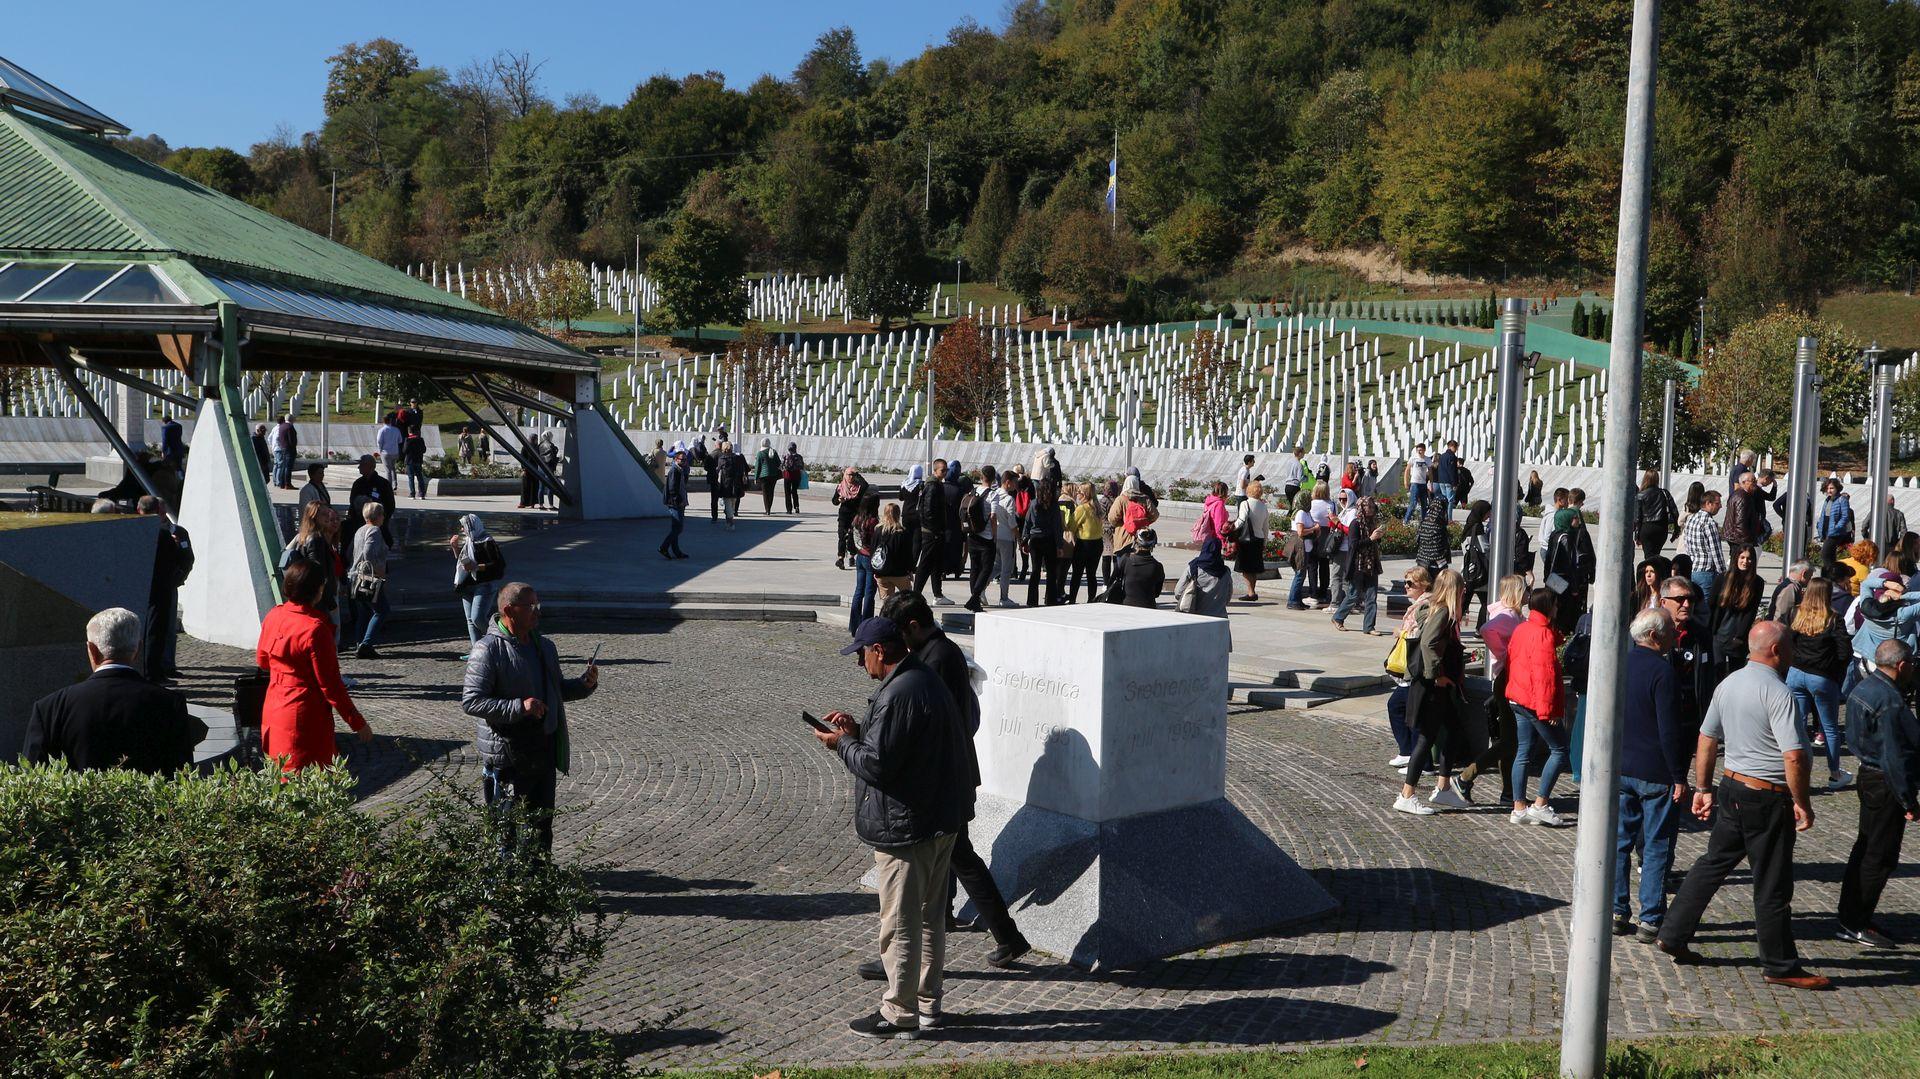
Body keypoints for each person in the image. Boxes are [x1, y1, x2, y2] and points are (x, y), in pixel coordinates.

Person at [812, 615, 973, 1039]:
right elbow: (902, 745)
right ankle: (928, 1006)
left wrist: (841, 743)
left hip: (910, 827)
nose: (860, 662)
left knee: (900, 921)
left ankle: (899, 1012)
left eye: (861, 653)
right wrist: (860, 730)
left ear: (879, 650)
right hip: (941, 820)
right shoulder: (921, 678)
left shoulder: (899, 692)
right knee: (929, 918)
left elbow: (879, 764)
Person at [1655, 621, 1828, 989]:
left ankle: (1672, 932)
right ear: (1777, 651)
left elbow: (1706, 738)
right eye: (1791, 648)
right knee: (1772, 882)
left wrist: (1703, 786)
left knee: (1712, 865)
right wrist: (1803, 802)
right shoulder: (1778, 694)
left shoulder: (1728, 684)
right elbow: (1794, 757)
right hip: (1766, 796)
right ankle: (1780, 965)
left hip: (1732, 788)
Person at [871, 594, 1030, 970]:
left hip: (944, 776)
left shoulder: (938, 658)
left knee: (957, 856)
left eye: (899, 634)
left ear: (912, 626)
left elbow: (932, 725)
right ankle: (951, 924)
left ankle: (1005, 937)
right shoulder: (937, 653)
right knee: (952, 856)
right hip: (948, 773)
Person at [464, 582, 600, 858]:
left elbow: (556, 690)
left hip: (543, 749)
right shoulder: (487, 650)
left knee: (541, 825)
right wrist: (520, 706)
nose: (538, 612)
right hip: (508, 755)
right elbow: (472, 701)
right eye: (530, 607)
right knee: (507, 829)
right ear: (508, 611)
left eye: (538, 605)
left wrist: (584, 685)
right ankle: (505, 887)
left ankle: (540, 884)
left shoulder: (544, 646)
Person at [22, 607, 203, 773]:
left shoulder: (50, 707)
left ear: (92, 650)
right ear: (138, 649)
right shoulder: (169, 704)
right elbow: (181, 774)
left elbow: (32, 780)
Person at [1611, 607, 1689, 941]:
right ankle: (1651, 918)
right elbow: (1669, 729)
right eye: (1672, 629)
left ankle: (1616, 910)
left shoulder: (1619, 664)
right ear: (1655, 635)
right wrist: (1679, 776)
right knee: (1656, 845)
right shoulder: (1663, 673)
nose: (1676, 634)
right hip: (1656, 772)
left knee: (1619, 843)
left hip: (1622, 767)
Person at [1837, 639, 1920, 947]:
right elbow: (1893, 755)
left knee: (1866, 849)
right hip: (1884, 782)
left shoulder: (1866, 688)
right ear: (1901, 665)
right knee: (1878, 856)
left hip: (1870, 776)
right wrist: (1908, 799)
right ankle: (1855, 921)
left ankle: (1852, 916)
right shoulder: (1889, 700)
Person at [256, 559, 374, 772]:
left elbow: (263, 661)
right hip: (304, 713)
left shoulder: (274, 615)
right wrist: (357, 722)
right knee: (309, 781)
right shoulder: (315, 628)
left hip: (274, 706)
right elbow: (331, 686)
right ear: (318, 590)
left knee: (280, 779)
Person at [1395, 568, 1470, 815]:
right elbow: (1428, 644)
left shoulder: (1440, 610)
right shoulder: (1442, 612)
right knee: (1427, 738)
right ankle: (1407, 795)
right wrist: (1438, 675)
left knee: (1454, 730)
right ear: (1456, 590)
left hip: (1438, 685)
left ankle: (1443, 788)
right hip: (1432, 686)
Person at [1455, 574, 1529, 802]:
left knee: (1509, 740)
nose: (1528, 594)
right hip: (1507, 680)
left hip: (1508, 679)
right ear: (1517, 592)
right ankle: (1465, 777)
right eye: (1526, 590)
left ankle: (1508, 793)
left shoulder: (1512, 614)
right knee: (1509, 741)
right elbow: (1488, 629)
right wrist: (1507, 655)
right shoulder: (1507, 616)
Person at [1505, 587, 1570, 827]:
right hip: (1535, 702)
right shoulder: (1542, 634)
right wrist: (1549, 711)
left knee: (1523, 752)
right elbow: (1545, 676)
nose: (1557, 608)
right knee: (1560, 750)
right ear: (1548, 607)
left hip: (1518, 698)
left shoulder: (1523, 628)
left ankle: (1519, 807)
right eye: (1555, 604)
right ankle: (1540, 804)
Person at [1783, 578, 1854, 789]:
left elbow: (1788, 640)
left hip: (1795, 673)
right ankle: (1834, 774)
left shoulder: (1796, 614)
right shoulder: (1833, 619)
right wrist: (1835, 672)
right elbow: (1844, 652)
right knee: (1829, 727)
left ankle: (1795, 771)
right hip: (1822, 676)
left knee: (1797, 724)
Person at [135, 496, 192, 681]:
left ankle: (165, 665)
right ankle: (152, 670)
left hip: (167, 585)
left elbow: (186, 558)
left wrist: (179, 578)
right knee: (154, 629)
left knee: (164, 629)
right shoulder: (158, 534)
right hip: (157, 588)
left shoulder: (177, 532)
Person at [1331, 496, 1384, 633]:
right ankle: (1338, 617)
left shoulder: (1372, 523)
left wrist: (1378, 538)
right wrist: (1371, 538)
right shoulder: (1355, 524)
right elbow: (1353, 545)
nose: (1372, 509)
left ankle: (1369, 627)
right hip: (1358, 565)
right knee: (1353, 595)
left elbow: (1373, 544)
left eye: (1373, 506)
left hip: (1371, 564)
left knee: (1372, 596)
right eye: (1369, 506)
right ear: (1362, 507)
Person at [1710, 547, 1764, 679]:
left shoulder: (1757, 582)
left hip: (1738, 638)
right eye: (1742, 557)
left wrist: (1740, 636)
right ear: (1736, 558)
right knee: (1717, 673)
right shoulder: (1722, 578)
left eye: (1749, 558)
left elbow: (1751, 612)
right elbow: (1712, 606)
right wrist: (1710, 631)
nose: (1745, 561)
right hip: (1719, 635)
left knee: (1736, 675)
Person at [452, 513, 501, 656]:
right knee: (470, 620)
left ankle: (499, 641)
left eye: (464, 526)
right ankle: (477, 652)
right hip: (466, 584)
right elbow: (462, 562)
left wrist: (477, 567)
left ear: (472, 526)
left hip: (484, 584)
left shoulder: (487, 541)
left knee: (477, 618)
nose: (462, 530)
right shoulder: (468, 542)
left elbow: (497, 565)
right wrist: (455, 547)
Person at [347, 502, 391, 660]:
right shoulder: (374, 530)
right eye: (383, 514)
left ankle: (359, 643)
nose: (384, 517)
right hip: (368, 578)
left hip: (355, 577)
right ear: (378, 516)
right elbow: (368, 553)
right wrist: (379, 570)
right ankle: (366, 644)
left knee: (364, 612)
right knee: (382, 610)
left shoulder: (360, 530)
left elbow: (350, 552)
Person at [1682, 490, 1726, 623]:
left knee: (1693, 606)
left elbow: (1687, 543)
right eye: (1717, 503)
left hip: (1693, 568)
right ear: (1708, 503)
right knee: (1705, 609)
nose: (1720, 506)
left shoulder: (1691, 519)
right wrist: (1723, 573)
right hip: (1706, 572)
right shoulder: (1709, 523)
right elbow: (1716, 551)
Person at [1174, 536, 1233, 628]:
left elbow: (1178, 592)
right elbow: (1227, 598)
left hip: (1197, 620)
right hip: (1220, 621)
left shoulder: (1193, 568)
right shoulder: (1226, 572)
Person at [914, 460, 952, 604]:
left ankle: (938, 595)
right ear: (935, 471)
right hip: (931, 532)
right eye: (942, 470)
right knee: (925, 564)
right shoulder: (932, 486)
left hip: (937, 531)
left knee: (937, 564)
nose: (945, 472)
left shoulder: (937, 485)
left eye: (946, 470)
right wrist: (935, 530)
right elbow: (928, 511)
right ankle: (916, 594)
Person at [1065, 482, 1103, 604]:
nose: (1077, 494)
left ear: (1085, 494)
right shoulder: (1097, 507)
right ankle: (1091, 600)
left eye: (1079, 492)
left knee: (1077, 574)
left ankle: (1072, 600)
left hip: (1084, 544)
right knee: (1091, 575)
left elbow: (1071, 526)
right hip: (1097, 544)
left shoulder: (1082, 508)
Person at [346, 453, 395, 548]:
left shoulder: (383, 484)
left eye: (361, 465)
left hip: (377, 526)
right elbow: (352, 502)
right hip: (358, 525)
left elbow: (390, 506)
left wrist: (381, 521)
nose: (358, 467)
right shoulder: (358, 483)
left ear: (369, 466)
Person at [1233, 482, 1271, 601]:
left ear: (1249, 490)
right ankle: (1252, 592)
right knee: (1254, 568)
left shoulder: (1245, 503)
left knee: (1245, 568)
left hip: (1246, 539)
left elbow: (1241, 520)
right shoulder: (1263, 506)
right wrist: (1265, 542)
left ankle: (1250, 593)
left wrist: (1230, 527)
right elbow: (1266, 526)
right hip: (1259, 539)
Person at [988, 471, 1021, 607]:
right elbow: (1012, 522)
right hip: (1007, 537)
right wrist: (1018, 537)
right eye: (1014, 482)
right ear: (1008, 482)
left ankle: (980, 589)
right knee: (1006, 569)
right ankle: (1004, 597)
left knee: (996, 566)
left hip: (994, 535)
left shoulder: (993, 495)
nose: (1016, 485)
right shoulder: (1009, 499)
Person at [849, 494, 880, 634]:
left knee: (858, 591)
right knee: (869, 593)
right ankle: (865, 626)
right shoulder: (873, 522)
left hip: (860, 556)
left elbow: (855, 538)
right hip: (869, 557)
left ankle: (854, 624)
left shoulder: (857, 519)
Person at [873, 502, 916, 603]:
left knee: (887, 602)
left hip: (882, 572)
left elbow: (873, 550)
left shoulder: (878, 530)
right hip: (900, 572)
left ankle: (887, 617)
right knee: (907, 599)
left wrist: (874, 570)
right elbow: (908, 554)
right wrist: (910, 569)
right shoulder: (902, 532)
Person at [1633, 470, 1679, 564]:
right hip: (1661, 528)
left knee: (1648, 556)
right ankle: (1657, 574)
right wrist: (1676, 530)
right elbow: (1674, 512)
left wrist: (1637, 535)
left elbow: (1638, 518)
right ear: (1657, 479)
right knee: (1656, 554)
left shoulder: (1640, 495)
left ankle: (1652, 575)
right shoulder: (1665, 493)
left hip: (1647, 528)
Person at [1816, 480, 1854, 579]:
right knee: (1831, 556)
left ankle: (1828, 576)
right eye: (1828, 488)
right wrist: (1819, 525)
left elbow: (1845, 516)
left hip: (1835, 532)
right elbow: (1823, 515)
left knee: (1825, 554)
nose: (1829, 490)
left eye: (1832, 488)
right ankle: (1833, 577)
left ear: (1837, 488)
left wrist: (1837, 527)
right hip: (1826, 530)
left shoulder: (1842, 499)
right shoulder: (1827, 500)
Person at [1120, 528, 1166, 608]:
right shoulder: (1158, 566)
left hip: (1127, 606)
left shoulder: (1126, 559)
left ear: (1136, 542)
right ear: (1153, 545)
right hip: (1148, 607)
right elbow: (1157, 593)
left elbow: (1113, 580)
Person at [833, 468, 869, 569]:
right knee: (841, 536)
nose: (850, 477)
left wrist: (858, 474)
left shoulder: (858, 488)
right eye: (849, 475)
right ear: (845, 475)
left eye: (853, 475)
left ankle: (852, 556)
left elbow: (866, 485)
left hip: (855, 516)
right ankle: (840, 558)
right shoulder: (840, 487)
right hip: (843, 515)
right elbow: (834, 501)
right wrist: (839, 500)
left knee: (852, 538)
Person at [659, 444, 690, 559]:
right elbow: (672, 488)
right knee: (678, 528)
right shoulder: (674, 471)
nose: (685, 461)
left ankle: (676, 551)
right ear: (676, 459)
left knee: (675, 528)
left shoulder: (680, 470)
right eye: (682, 459)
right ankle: (663, 547)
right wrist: (679, 500)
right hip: (675, 503)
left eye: (686, 459)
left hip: (677, 502)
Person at [1413, 486, 1450, 575]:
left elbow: (1418, 540)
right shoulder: (1439, 525)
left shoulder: (1424, 521)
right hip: (1436, 564)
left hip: (1421, 562)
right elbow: (1443, 546)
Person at [714, 439, 746, 529]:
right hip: (736, 484)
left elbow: (718, 470)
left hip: (726, 484)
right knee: (732, 503)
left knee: (728, 503)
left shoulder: (722, 459)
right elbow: (742, 469)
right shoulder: (737, 458)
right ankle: (729, 519)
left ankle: (730, 521)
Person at [1401, 443, 1431, 524]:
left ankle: (1423, 522)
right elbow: (1407, 470)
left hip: (1423, 483)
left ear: (1424, 450)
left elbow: (1430, 472)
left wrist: (1431, 483)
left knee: (1424, 504)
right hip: (1415, 483)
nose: (1419, 452)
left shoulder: (1427, 459)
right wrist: (1405, 482)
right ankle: (1406, 521)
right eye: (1418, 450)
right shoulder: (1413, 458)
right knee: (1413, 503)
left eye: (1421, 450)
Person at [1431, 439, 1460, 518]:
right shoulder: (1452, 456)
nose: (1456, 449)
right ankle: (1449, 518)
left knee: (1443, 500)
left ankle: (1442, 516)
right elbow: (1452, 471)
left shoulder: (1442, 456)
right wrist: (1454, 483)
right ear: (1452, 446)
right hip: (1449, 482)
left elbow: (1440, 469)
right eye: (1456, 447)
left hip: (1441, 481)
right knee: (1450, 500)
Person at [375, 414, 403, 487]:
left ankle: (388, 486)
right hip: (395, 452)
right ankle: (395, 483)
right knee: (393, 468)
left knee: (387, 470)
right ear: (390, 421)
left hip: (385, 452)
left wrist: (380, 449)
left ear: (383, 421)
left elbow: (379, 441)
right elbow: (400, 440)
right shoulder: (396, 429)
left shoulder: (382, 430)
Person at [270, 414, 297, 489]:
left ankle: (282, 483)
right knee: (288, 467)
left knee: (283, 466)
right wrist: (293, 446)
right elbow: (292, 439)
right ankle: (287, 484)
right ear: (291, 419)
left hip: (283, 448)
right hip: (289, 449)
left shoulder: (281, 426)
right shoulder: (290, 427)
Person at [754, 438, 781, 514]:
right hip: (773, 475)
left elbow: (758, 467)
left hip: (763, 476)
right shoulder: (773, 452)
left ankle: (767, 510)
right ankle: (769, 507)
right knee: (771, 492)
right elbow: (779, 463)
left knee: (765, 493)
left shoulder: (760, 453)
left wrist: (756, 477)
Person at [402, 425, 428, 499]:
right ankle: (422, 494)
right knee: (420, 477)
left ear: (409, 431)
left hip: (410, 461)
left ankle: (412, 494)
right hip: (418, 460)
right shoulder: (420, 439)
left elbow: (404, 450)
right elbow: (424, 450)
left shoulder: (408, 439)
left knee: (411, 477)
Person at [781, 442, 806, 514]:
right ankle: (797, 507)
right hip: (796, 476)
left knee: (787, 493)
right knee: (794, 492)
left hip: (787, 476)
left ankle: (789, 509)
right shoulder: (799, 457)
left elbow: (781, 466)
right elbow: (802, 467)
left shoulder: (785, 456)